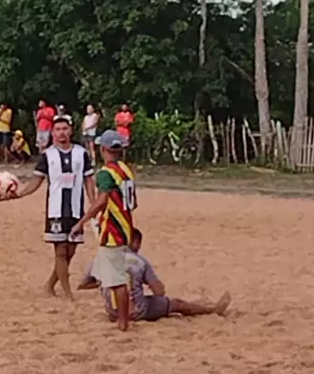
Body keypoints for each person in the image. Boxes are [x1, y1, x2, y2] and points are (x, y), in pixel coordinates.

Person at [13, 116, 96, 300]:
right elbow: (36, 181)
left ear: (70, 130)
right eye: (58, 129)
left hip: (76, 209)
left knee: (71, 250)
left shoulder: (81, 153)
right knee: (60, 251)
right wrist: (20, 194)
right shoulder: (47, 155)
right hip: (55, 211)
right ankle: (67, 292)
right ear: (52, 133)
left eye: (64, 129)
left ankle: (50, 285)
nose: (61, 133)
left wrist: (94, 203)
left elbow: (88, 180)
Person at [79, 228, 232, 322]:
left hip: (113, 311)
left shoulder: (100, 259)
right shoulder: (140, 261)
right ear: (135, 243)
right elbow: (159, 291)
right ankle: (212, 310)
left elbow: (83, 285)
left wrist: (103, 282)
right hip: (136, 310)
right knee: (176, 304)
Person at [70, 129, 137, 331]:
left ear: (103, 149)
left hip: (113, 231)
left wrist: (82, 221)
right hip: (125, 227)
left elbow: (101, 201)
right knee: (115, 273)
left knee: (117, 279)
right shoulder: (125, 169)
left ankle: (123, 321)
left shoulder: (106, 173)